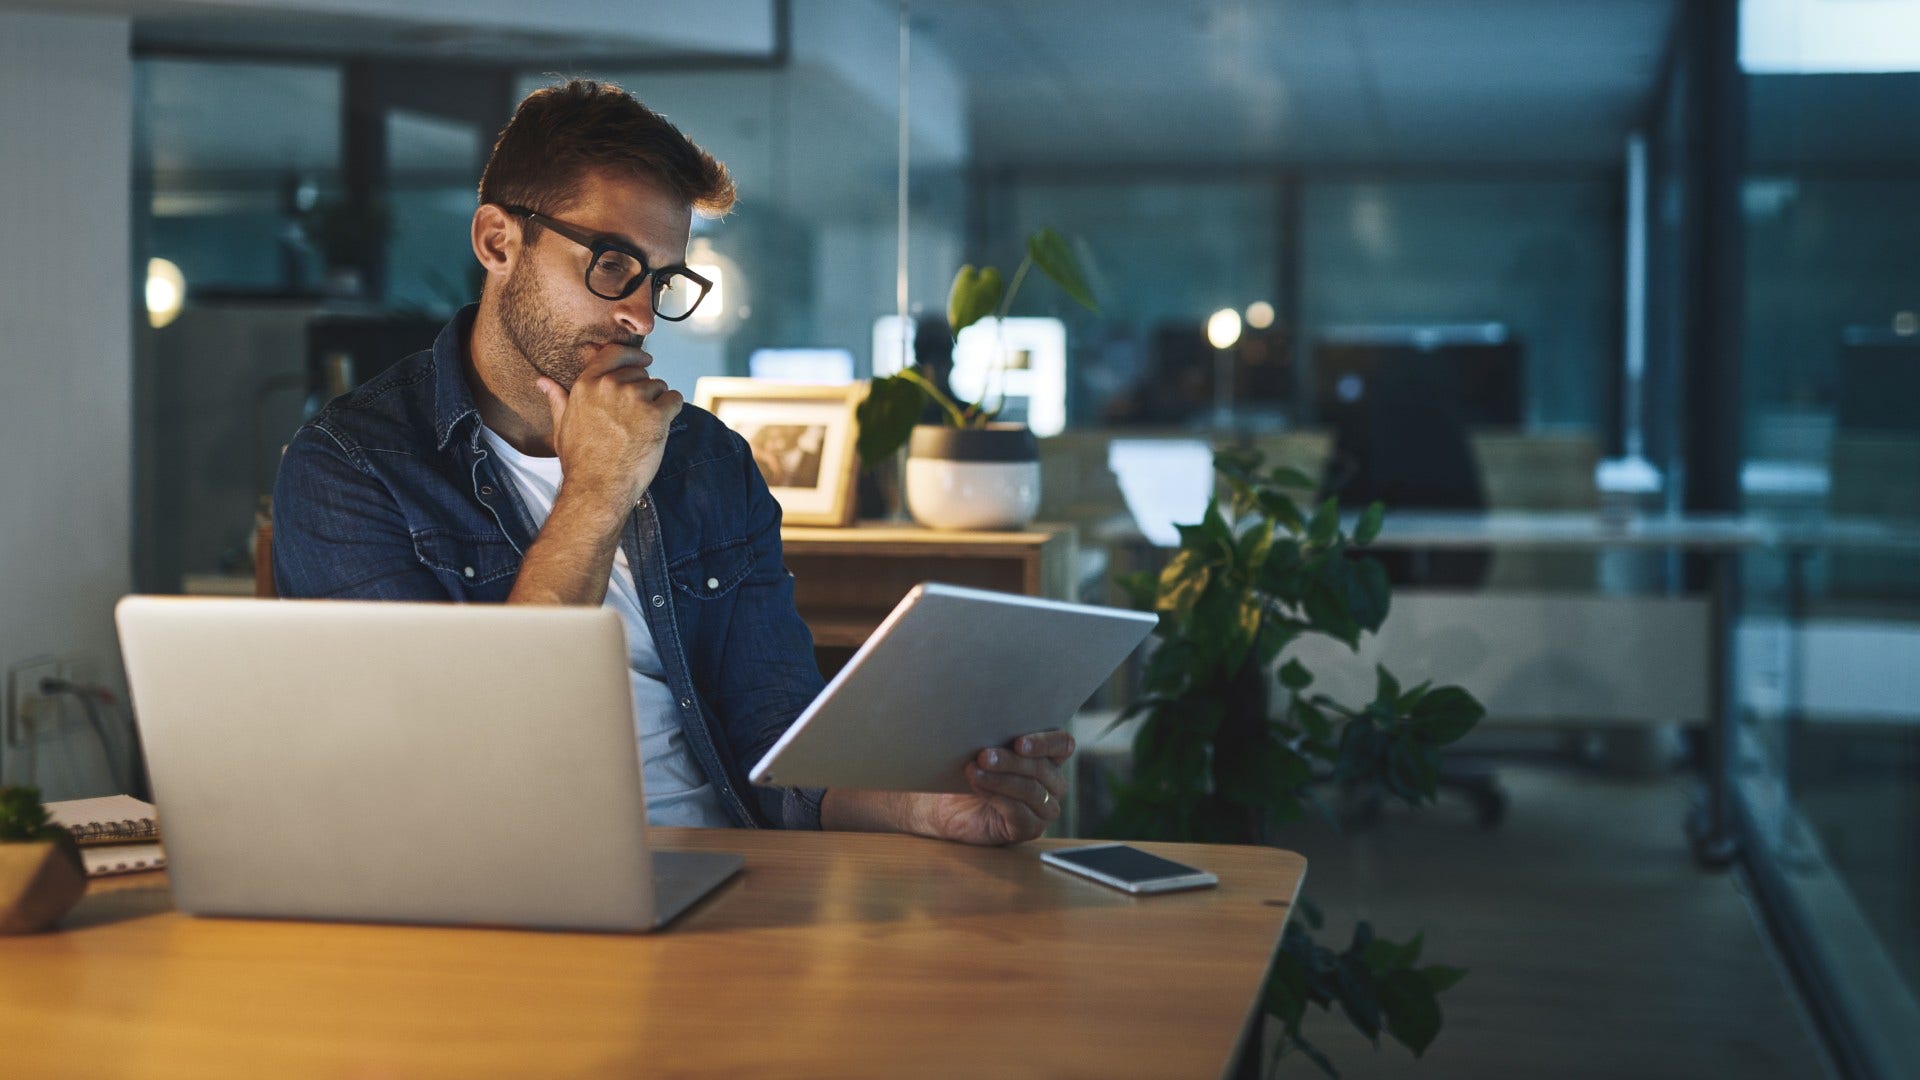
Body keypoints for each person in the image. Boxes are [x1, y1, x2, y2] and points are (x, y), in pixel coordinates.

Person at [272, 80, 1069, 845]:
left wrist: (926, 808)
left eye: (663, 279)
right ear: (498, 241)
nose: (641, 313)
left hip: (730, 873)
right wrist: (596, 490)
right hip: (507, 891)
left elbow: (776, 742)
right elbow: (456, 770)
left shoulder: (708, 462)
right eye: (612, 262)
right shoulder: (353, 468)